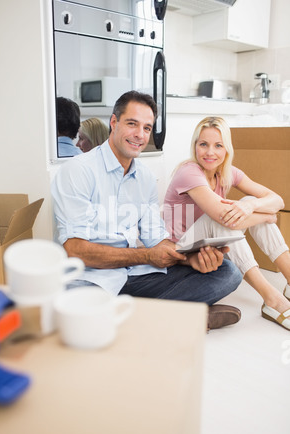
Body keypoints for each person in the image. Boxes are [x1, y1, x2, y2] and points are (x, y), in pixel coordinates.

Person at [51, 92, 243, 331]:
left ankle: (143, 319)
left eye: (147, 128)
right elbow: (75, 251)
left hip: (135, 275)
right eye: (132, 124)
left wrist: (190, 259)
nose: (140, 135)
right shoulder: (78, 171)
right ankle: (176, 317)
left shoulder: (144, 177)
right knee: (75, 313)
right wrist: (146, 256)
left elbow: (157, 240)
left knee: (228, 272)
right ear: (114, 123)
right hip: (90, 278)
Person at [164, 116, 290, 331]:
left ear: (227, 149)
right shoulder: (189, 172)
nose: (210, 152)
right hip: (179, 250)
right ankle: (273, 300)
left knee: (250, 201)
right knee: (224, 216)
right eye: (203, 144)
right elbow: (224, 218)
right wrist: (266, 215)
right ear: (195, 146)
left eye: (218, 145)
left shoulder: (228, 172)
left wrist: (251, 207)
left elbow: (278, 200)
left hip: (206, 242)